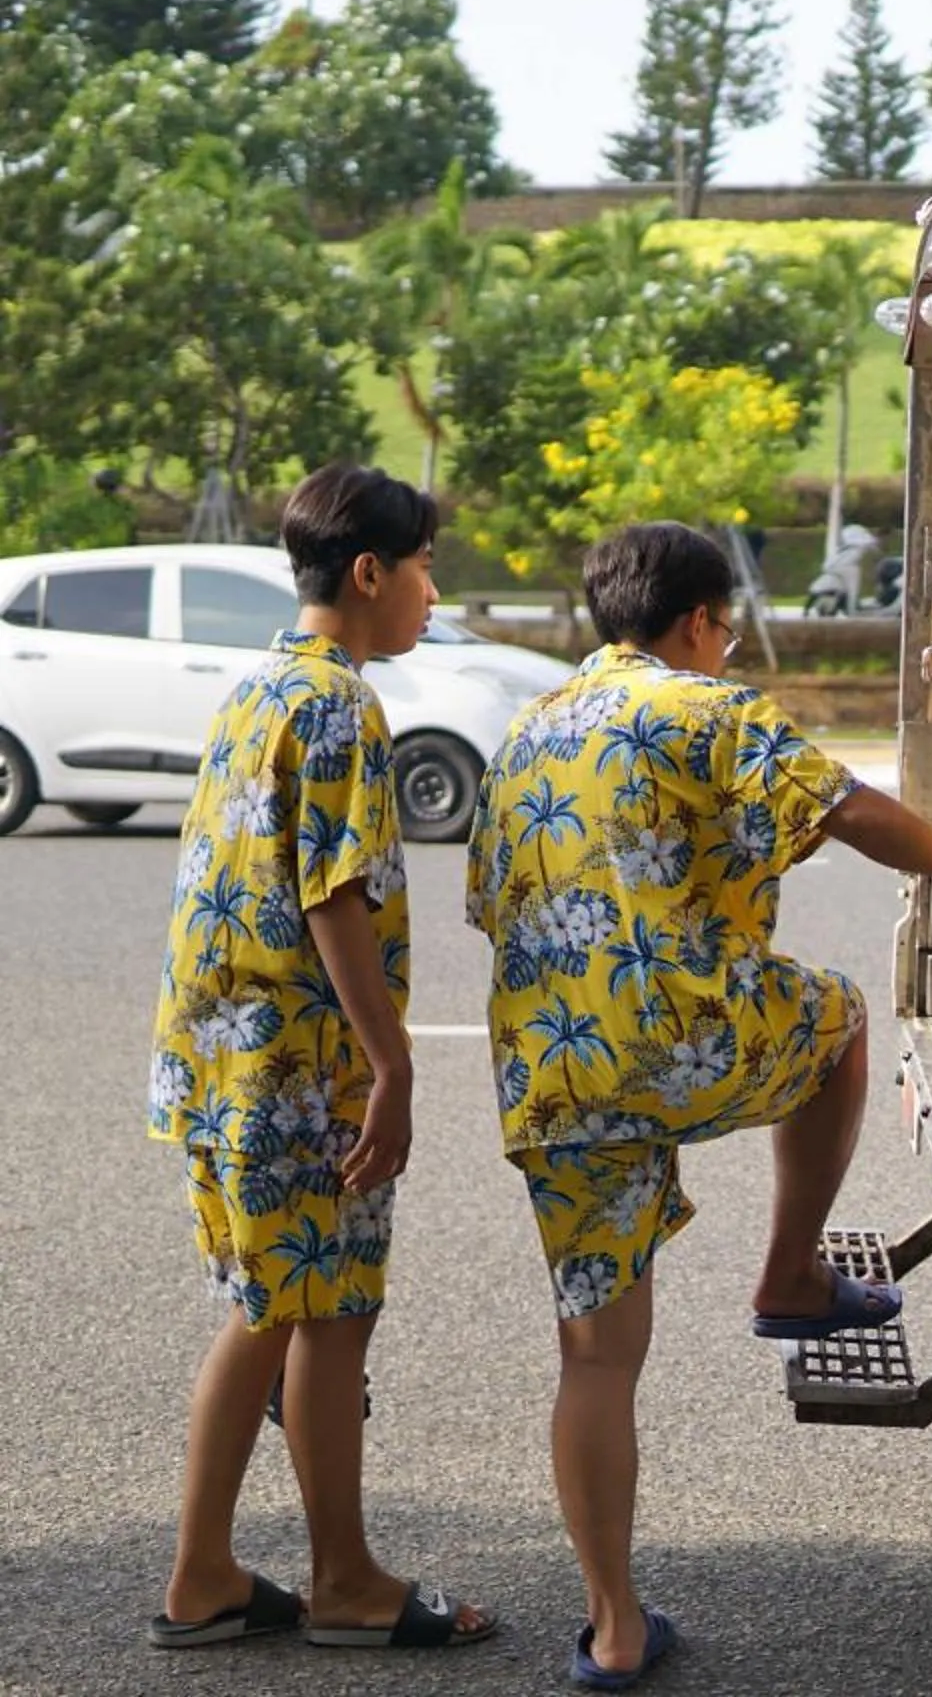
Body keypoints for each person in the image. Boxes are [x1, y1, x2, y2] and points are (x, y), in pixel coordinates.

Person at [464, 522, 932, 1691]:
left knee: (595, 1355)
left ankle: (615, 1627)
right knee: (834, 1019)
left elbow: (490, 899)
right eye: (725, 627)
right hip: (674, 1035)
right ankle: (789, 1275)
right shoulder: (703, 706)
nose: (727, 647)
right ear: (697, 622)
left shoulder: (529, 731)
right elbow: (847, 809)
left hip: (552, 1071)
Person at [146, 463, 498, 1653]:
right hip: (301, 1071)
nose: (431, 590)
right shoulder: (341, 705)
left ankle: (204, 1572)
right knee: (324, 1312)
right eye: (424, 564)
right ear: (368, 571)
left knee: (267, 1309)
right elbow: (335, 891)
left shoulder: (255, 690)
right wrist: (391, 1066)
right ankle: (343, 1579)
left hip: (220, 1060)